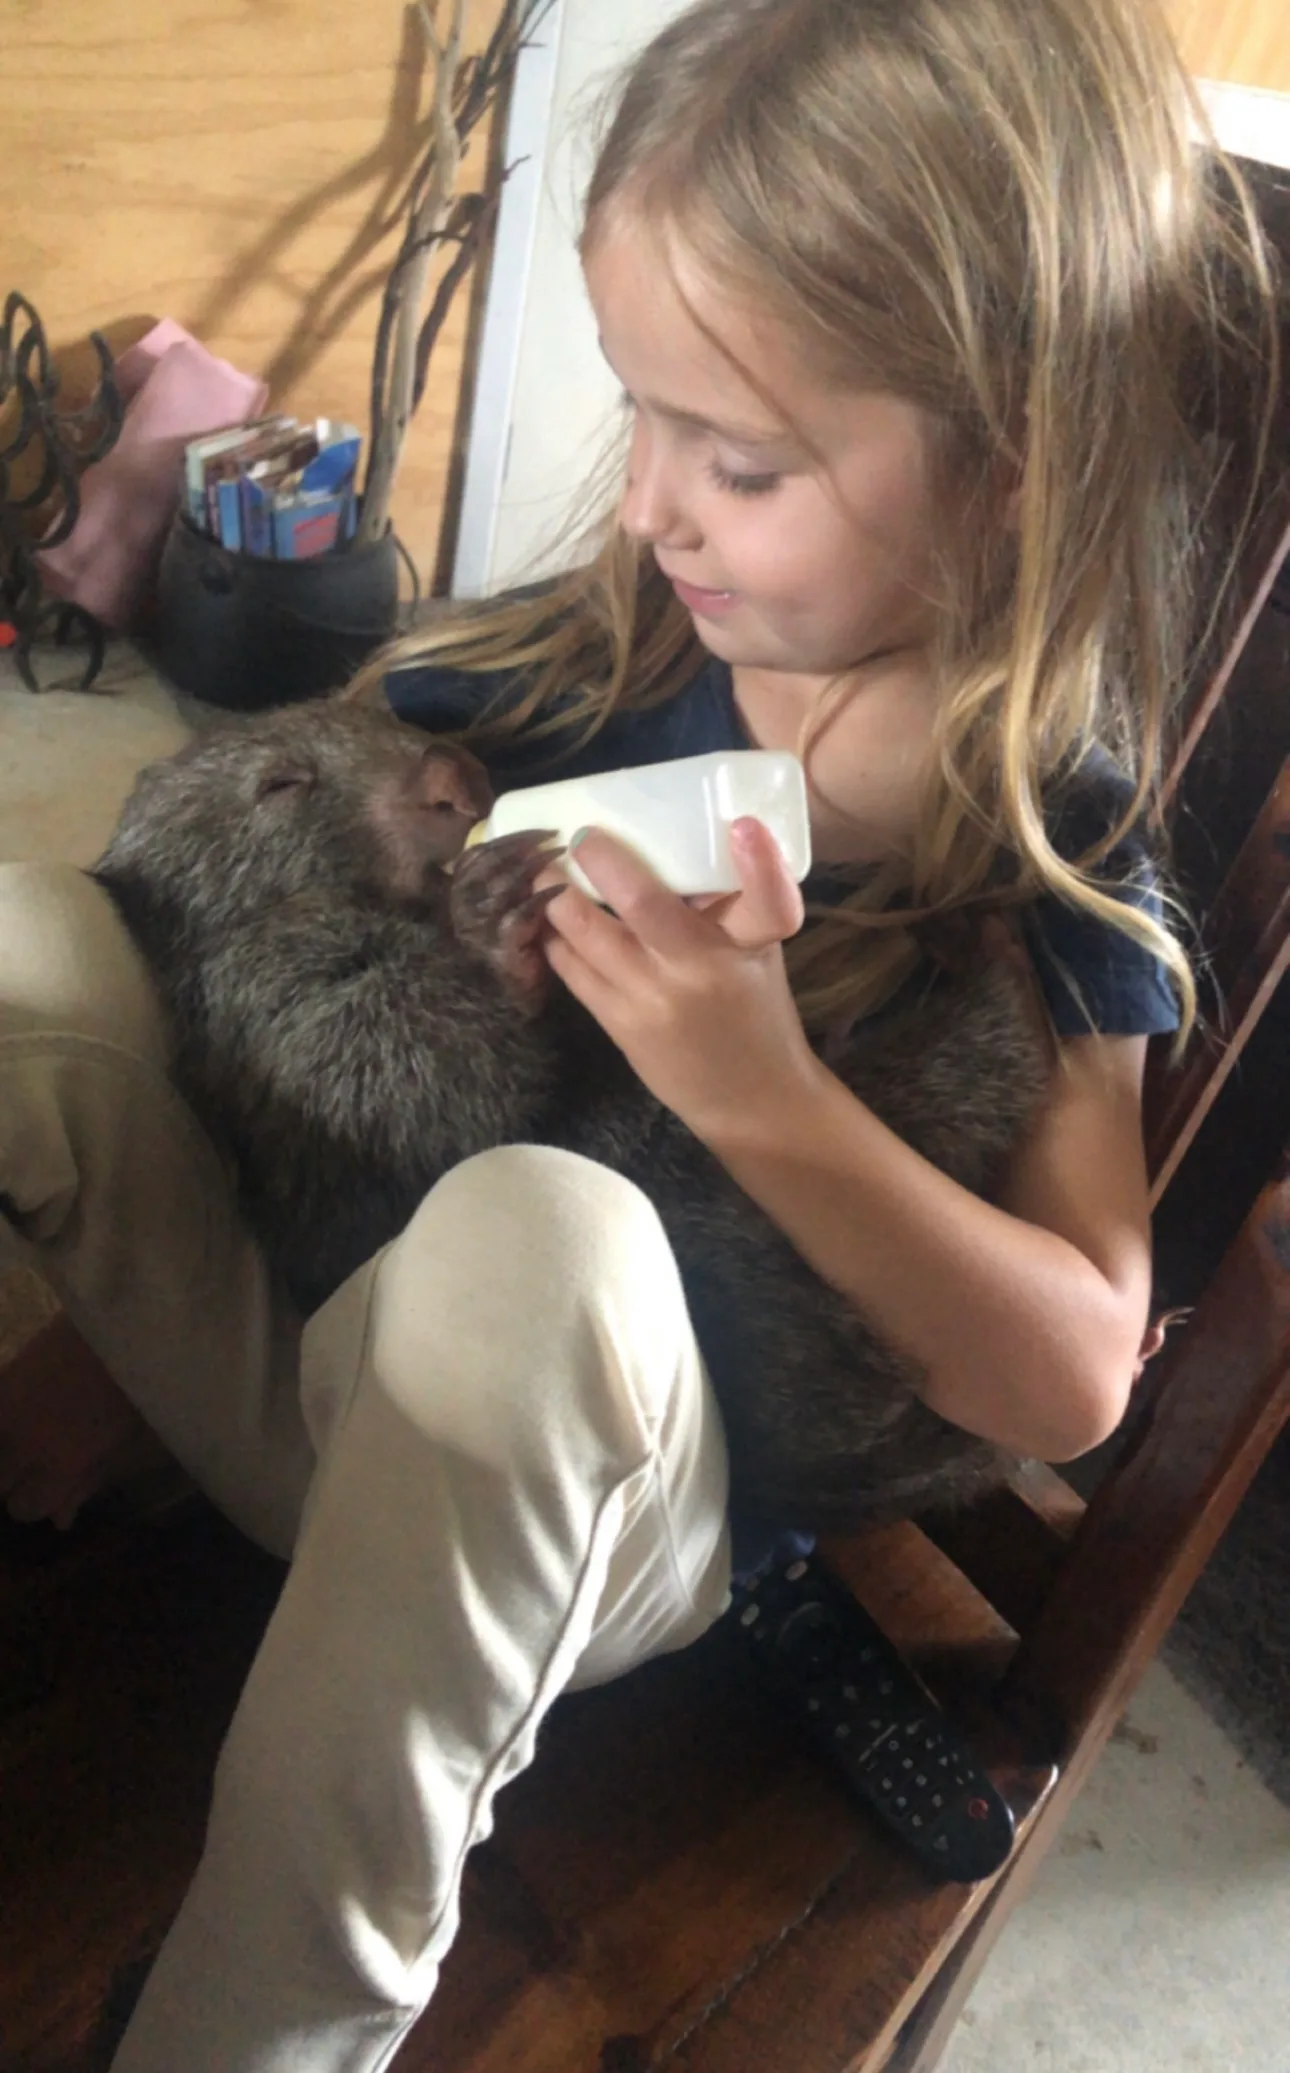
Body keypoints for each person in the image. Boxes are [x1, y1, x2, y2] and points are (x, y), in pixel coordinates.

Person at [0, 0, 1278, 2066]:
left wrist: (758, 1093)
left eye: (740, 458)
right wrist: (128, 1317)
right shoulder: (618, 636)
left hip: (589, 1529)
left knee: (546, 1235)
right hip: (308, 1371)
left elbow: (1066, 1377)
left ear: (1009, 461)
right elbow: (255, 900)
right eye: (642, 415)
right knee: (30, 948)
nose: (655, 507)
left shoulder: (1047, 856)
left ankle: (262, 2028)